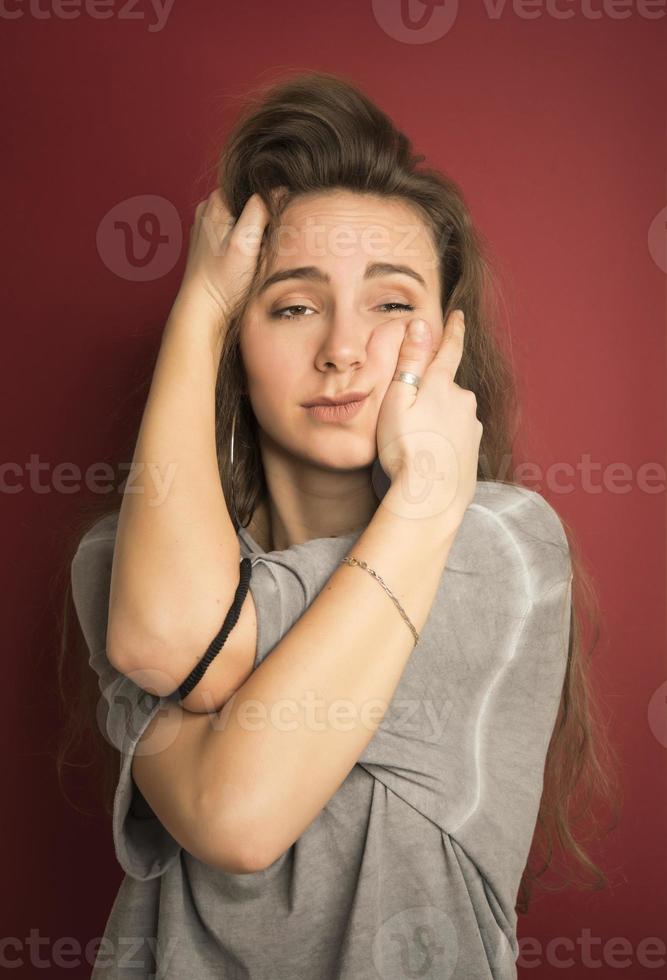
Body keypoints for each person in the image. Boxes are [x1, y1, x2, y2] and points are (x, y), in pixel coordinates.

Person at [63, 70, 618, 979]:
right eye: (291, 304)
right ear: (239, 338)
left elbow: (237, 817)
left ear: (445, 338)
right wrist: (196, 312)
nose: (343, 349)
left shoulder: (501, 547)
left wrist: (439, 500)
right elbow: (171, 637)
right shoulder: (124, 566)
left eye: (391, 303)